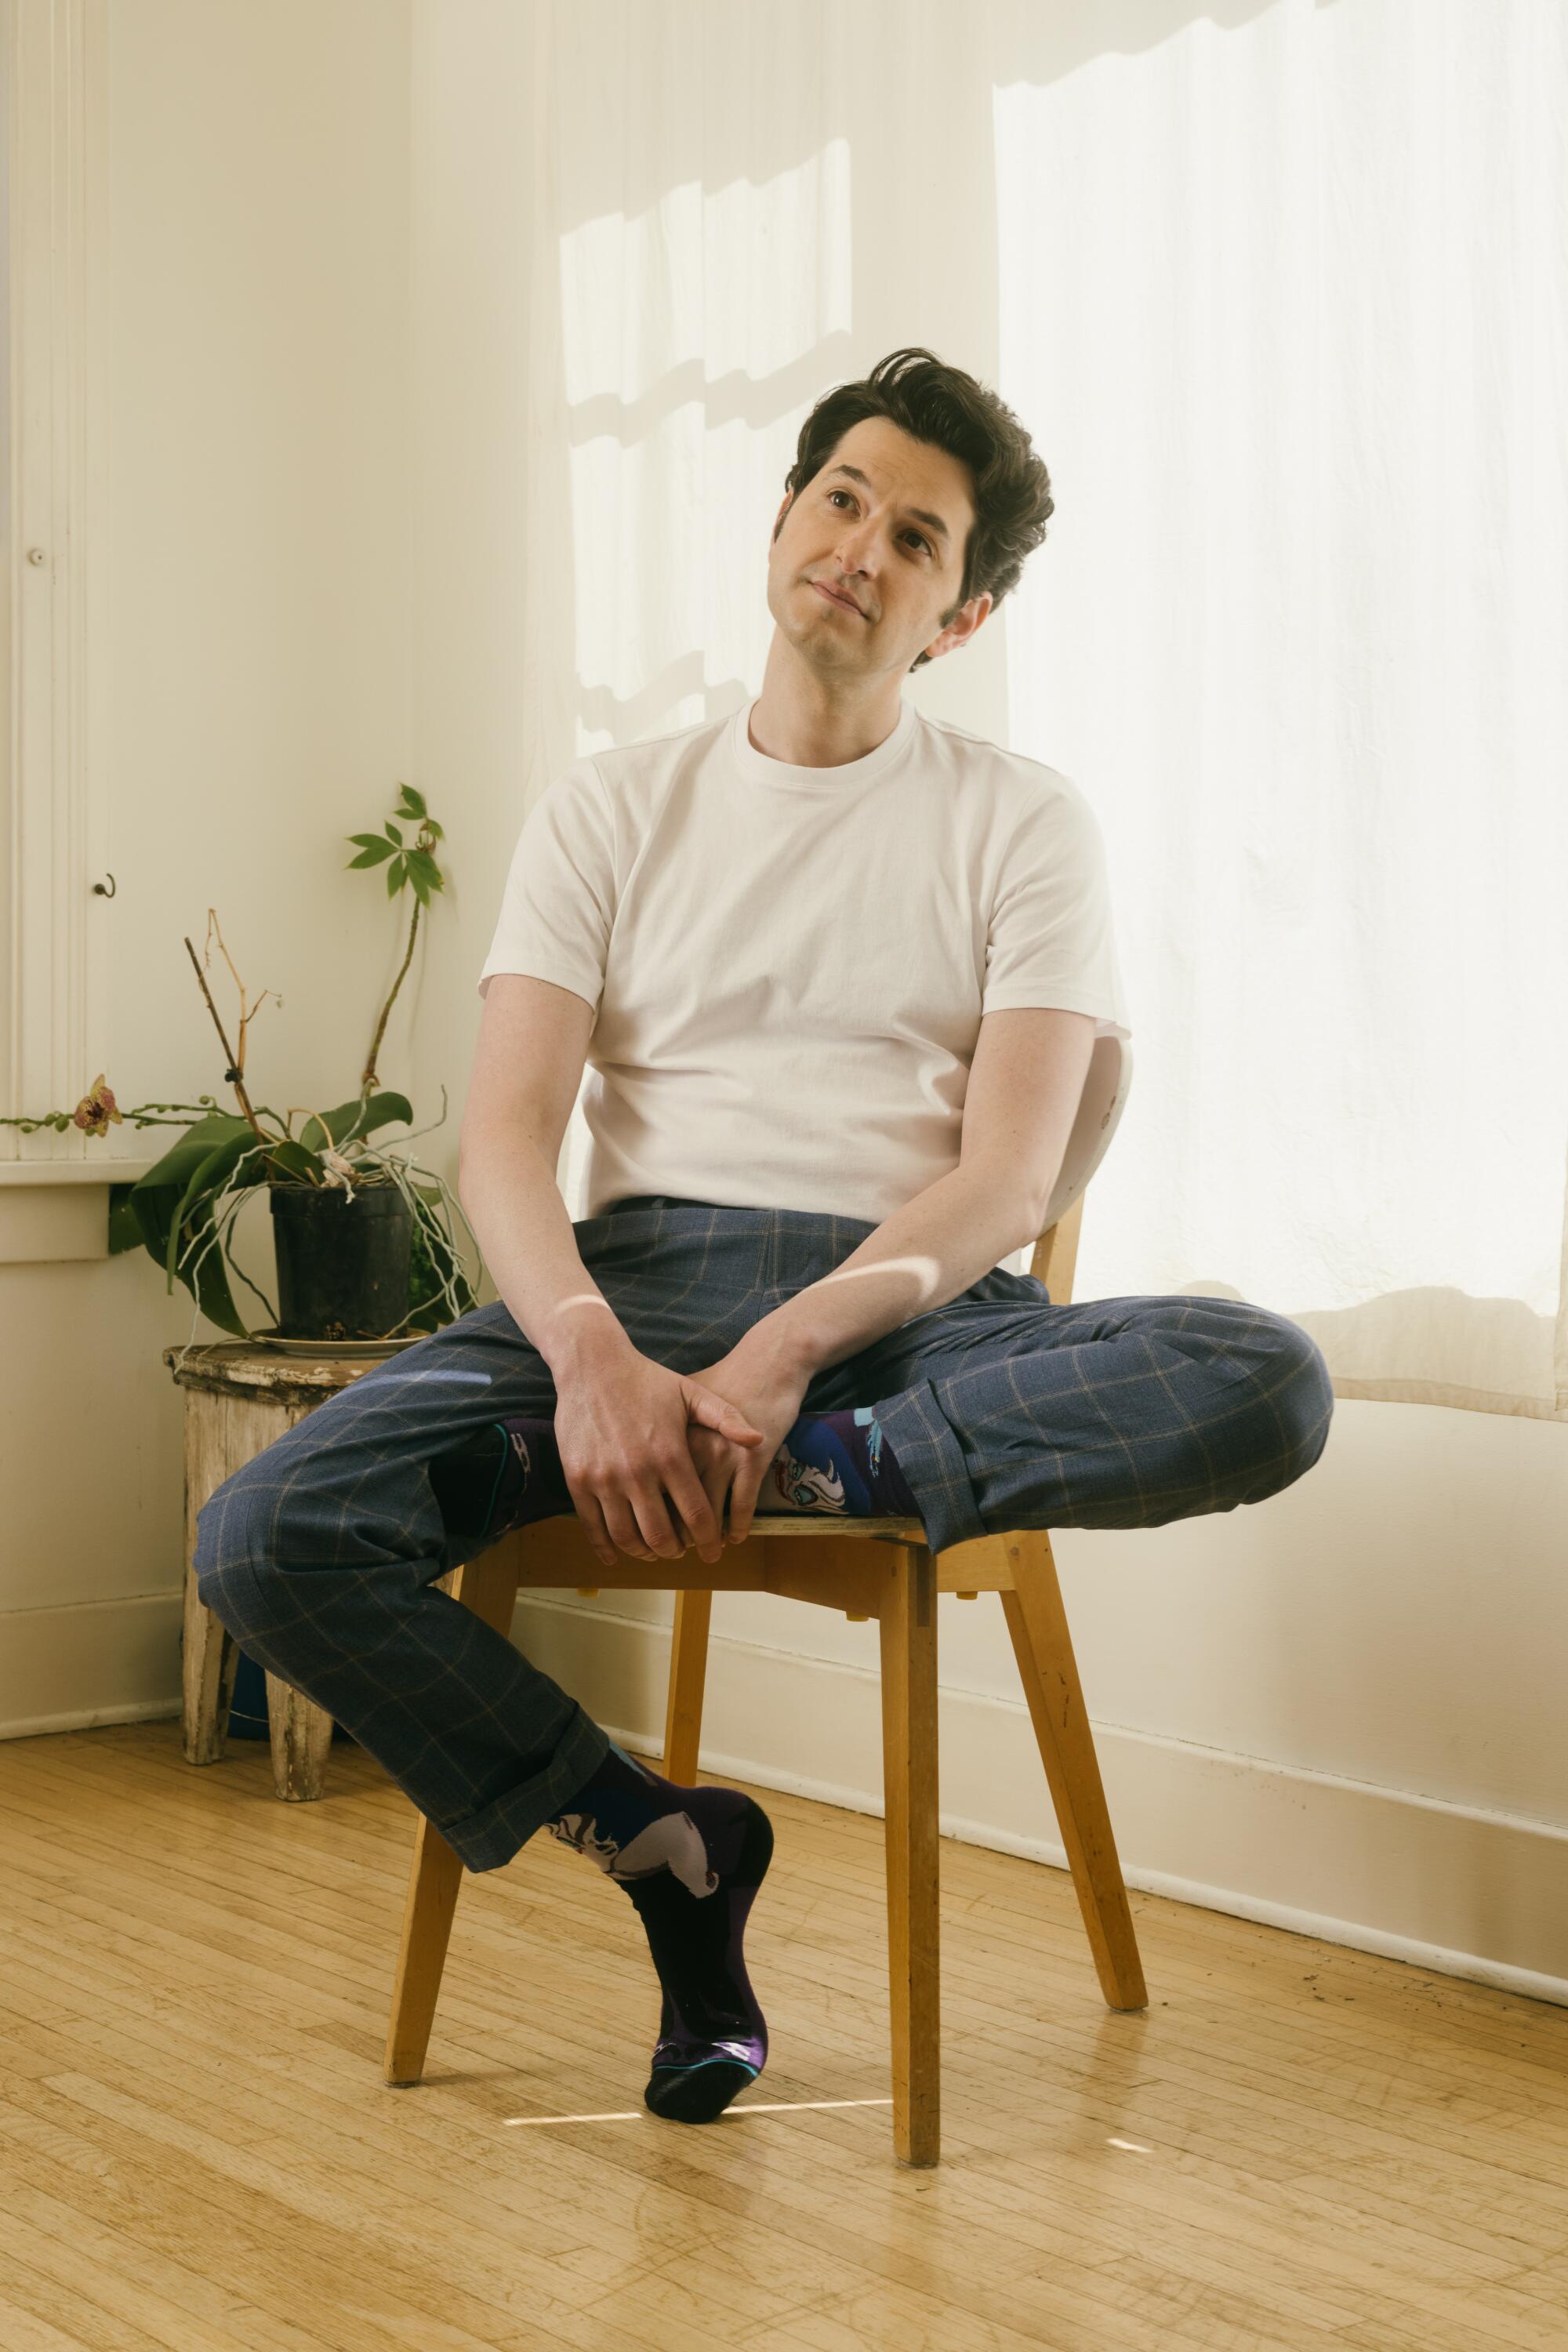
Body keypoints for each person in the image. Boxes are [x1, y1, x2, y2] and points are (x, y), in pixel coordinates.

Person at [194, 347, 1333, 2129]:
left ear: (956, 616)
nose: (861, 549)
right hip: (629, 1286)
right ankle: (661, 1843)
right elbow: (503, 1142)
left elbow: (1005, 1183)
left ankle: (794, 1460)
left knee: (1267, 1378)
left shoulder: (1021, 822)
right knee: (262, 1533)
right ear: (787, 520)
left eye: (917, 540)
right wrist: (587, 1355)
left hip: (906, 1312)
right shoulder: (608, 808)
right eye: (841, 500)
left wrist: (778, 1364)